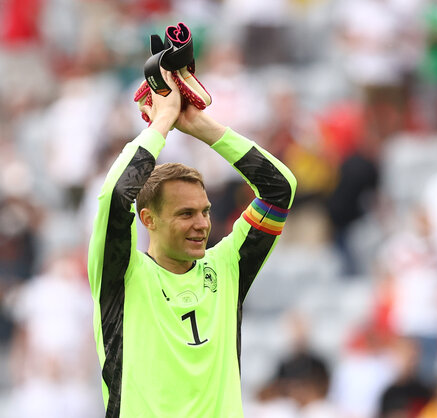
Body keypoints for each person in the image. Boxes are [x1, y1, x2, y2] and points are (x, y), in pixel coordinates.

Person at [87, 69, 297, 417]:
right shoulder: (122, 276)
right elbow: (116, 196)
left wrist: (200, 126)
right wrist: (161, 124)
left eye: (205, 211)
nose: (201, 224)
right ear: (148, 220)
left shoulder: (227, 267)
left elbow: (279, 189)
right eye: (186, 214)